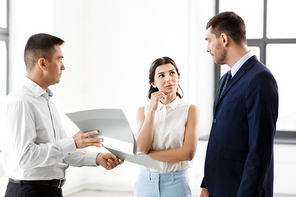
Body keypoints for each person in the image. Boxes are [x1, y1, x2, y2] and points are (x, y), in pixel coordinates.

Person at [0, 33, 123, 197]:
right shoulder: (21, 101)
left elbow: (63, 152)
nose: (63, 66)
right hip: (29, 192)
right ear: (43, 63)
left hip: (50, 191)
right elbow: (25, 157)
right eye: (59, 59)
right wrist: (72, 142)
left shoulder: (46, 101)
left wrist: (97, 158)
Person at [200, 12, 278, 197]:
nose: (207, 48)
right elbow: (219, 138)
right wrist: (207, 186)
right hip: (218, 188)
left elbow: (260, 150)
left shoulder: (260, 79)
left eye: (209, 40)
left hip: (241, 191)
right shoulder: (225, 79)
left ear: (224, 39)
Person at [134, 57, 200, 197]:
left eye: (172, 73)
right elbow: (141, 148)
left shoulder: (190, 110)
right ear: (153, 82)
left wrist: (148, 155)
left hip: (176, 183)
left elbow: (188, 153)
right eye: (161, 75)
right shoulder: (143, 111)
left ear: (178, 77)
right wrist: (152, 110)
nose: (168, 79)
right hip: (145, 182)